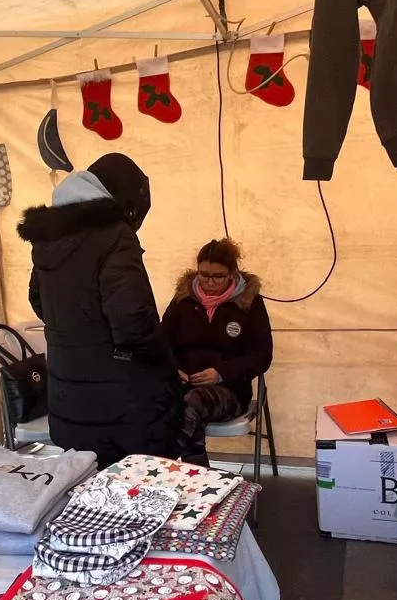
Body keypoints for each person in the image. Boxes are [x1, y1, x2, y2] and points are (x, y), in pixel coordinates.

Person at [17, 153, 180, 467]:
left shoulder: (51, 236)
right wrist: (163, 355)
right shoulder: (115, 236)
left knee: (86, 496)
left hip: (68, 395)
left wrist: (78, 333)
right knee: (136, 496)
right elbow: (132, 322)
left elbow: (38, 301)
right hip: (121, 406)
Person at [161, 239, 273, 466]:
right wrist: (174, 369)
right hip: (183, 385)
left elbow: (261, 355)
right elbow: (162, 343)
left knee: (191, 402)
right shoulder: (183, 300)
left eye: (218, 276)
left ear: (232, 273)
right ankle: (197, 467)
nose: (209, 282)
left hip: (229, 391)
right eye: (203, 275)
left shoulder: (249, 304)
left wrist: (221, 373)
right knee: (153, 400)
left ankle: (165, 460)